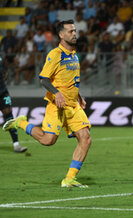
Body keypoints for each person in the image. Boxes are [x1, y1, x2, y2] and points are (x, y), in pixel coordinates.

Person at [3, 20, 92, 188]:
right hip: (57, 105)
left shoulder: (74, 54)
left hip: (73, 105)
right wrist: (57, 93)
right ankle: (20, 122)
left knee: (85, 138)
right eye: (71, 31)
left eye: (75, 31)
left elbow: (70, 79)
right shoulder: (55, 54)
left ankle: (69, 179)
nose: (74, 34)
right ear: (61, 35)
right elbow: (43, 79)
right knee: (48, 140)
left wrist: (79, 95)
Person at [0, 56, 27, 153]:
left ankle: (16, 145)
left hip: (2, 92)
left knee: (9, 117)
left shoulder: (1, 58)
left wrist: (5, 70)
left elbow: (5, 61)